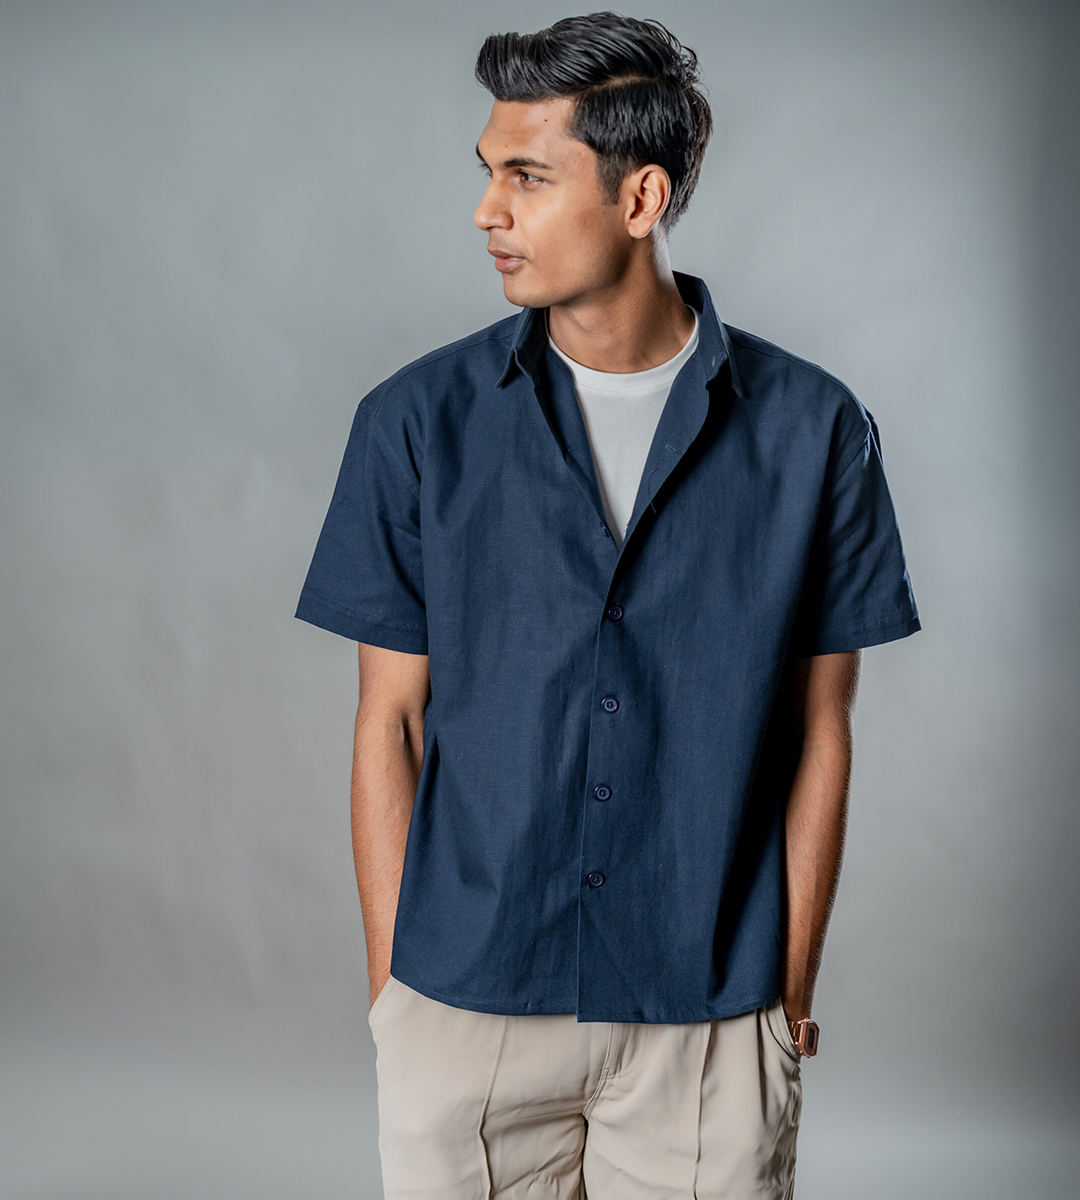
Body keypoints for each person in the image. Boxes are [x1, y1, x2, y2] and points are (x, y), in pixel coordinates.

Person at [295, 11, 920, 1199]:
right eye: (488, 173)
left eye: (526, 178)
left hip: (711, 1014)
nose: (487, 211)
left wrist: (788, 996)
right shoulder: (415, 424)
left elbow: (822, 732)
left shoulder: (814, 431)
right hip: (467, 1004)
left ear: (641, 198)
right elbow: (389, 721)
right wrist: (397, 1005)